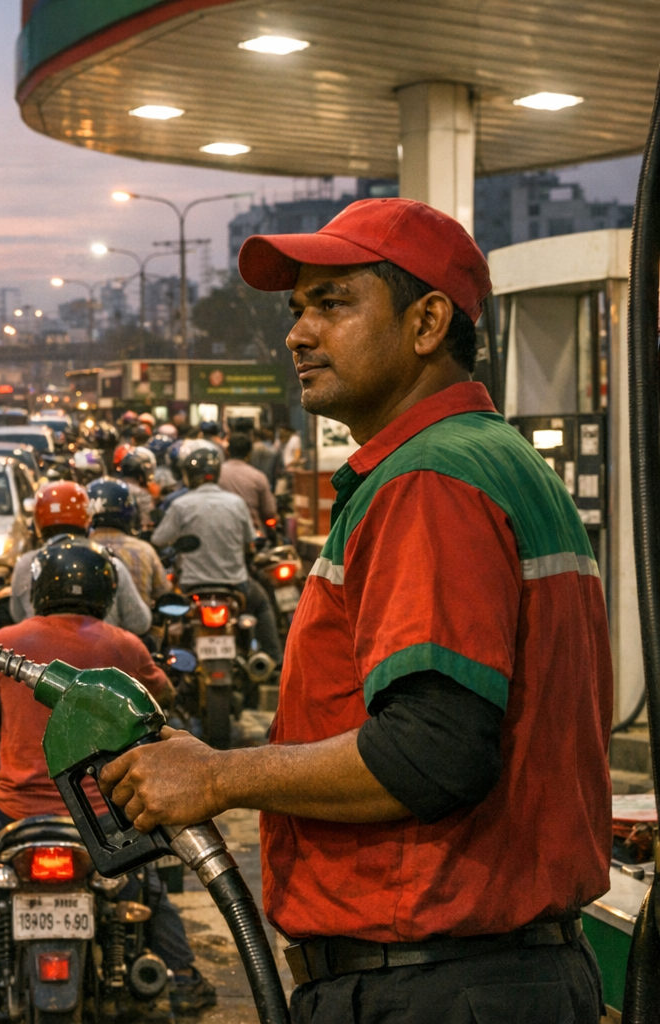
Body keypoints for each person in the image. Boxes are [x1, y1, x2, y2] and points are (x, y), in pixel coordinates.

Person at [103, 198, 610, 1023]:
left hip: (434, 983)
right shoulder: (490, 459)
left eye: (333, 304)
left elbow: (433, 753)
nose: (298, 334)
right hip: (480, 975)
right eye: (297, 310)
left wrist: (218, 775)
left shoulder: (430, 481)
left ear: (427, 323)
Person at [0, 538, 217, 1014]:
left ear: (39, 589)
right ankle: (182, 972)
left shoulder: (5, 643)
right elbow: (162, 694)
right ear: (106, 592)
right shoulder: (125, 645)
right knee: (145, 874)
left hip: (14, 811)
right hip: (102, 818)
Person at [151, 447, 282, 664]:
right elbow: (250, 540)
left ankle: (165, 664)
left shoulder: (181, 505)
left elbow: (158, 540)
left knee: (166, 617)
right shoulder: (236, 503)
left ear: (189, 476)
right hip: (235, 587)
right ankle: (275, 662)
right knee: (261, 603)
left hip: (191, 587)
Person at [9, 481, 151, 634]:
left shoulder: (26, 564)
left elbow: (16, 615)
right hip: (100, 655)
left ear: (38, 519)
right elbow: (139, 623)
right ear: (87, 517)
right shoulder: (110, 564)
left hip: (41, 655)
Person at [86, 477, 170, 604]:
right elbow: (163, 591)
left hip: (90, 624)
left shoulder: (78, 549)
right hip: (138, 622)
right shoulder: (144, 550)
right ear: (130, 512)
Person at [218, 432, 278, 530]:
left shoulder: (217, 474)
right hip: (253, 531)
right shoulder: (258, 477)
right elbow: (269, 512)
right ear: (250, 454)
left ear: (227, 452)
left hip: (223, 530)